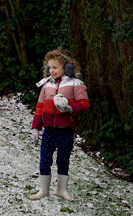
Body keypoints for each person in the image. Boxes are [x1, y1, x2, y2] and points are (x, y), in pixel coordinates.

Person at [30, 48, 90, 201]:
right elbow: (39, 108)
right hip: (49, 131)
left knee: (63, 160)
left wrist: (70, 108)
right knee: (44, 159)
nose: (51, 70)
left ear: (67, 68)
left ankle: (61, 190)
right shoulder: (46, 85)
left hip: (66, 131)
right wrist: (36, 128)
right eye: (49, 67)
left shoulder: (76, 83)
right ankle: (43, 190)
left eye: (55, 67)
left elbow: (84, 104)